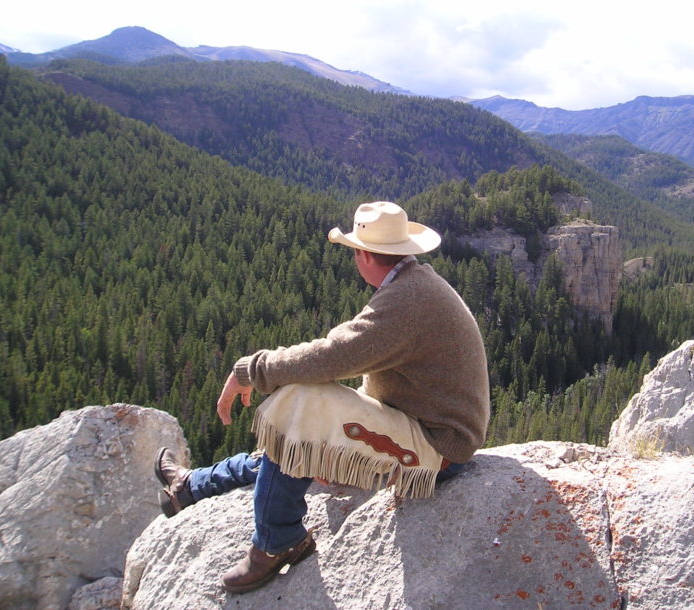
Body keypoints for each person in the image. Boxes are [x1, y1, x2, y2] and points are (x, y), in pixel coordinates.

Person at [154, 201, 491, 594]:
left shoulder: (407, 302)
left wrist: (251, 369)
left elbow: (331, 356)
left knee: (301, 405)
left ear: (363, 255)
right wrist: (335, 444)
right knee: (298, 438)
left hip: (436, 452)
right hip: (425, 428)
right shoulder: (415, 284)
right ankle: (191, 487)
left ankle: (278, 542)